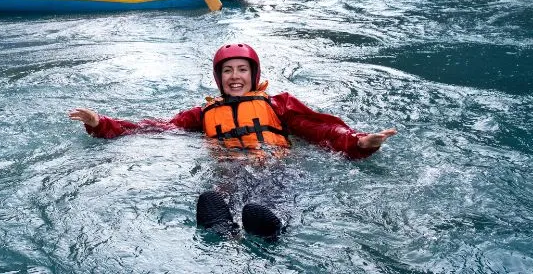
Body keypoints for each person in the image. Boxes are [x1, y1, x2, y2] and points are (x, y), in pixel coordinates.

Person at [69, 43, 397, 241]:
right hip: (231, 169)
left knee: (270, 196)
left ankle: (272, 229)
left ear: (254, 76)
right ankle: (225, 229)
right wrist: (102, 125)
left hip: (273, 165)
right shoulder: (202, 113)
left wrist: (358, 143)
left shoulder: (277, 104)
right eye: (228, 71)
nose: (235, 75)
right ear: (219, 78)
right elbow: (154, 128)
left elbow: (321, 131)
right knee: (220, 192)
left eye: (242, 69)